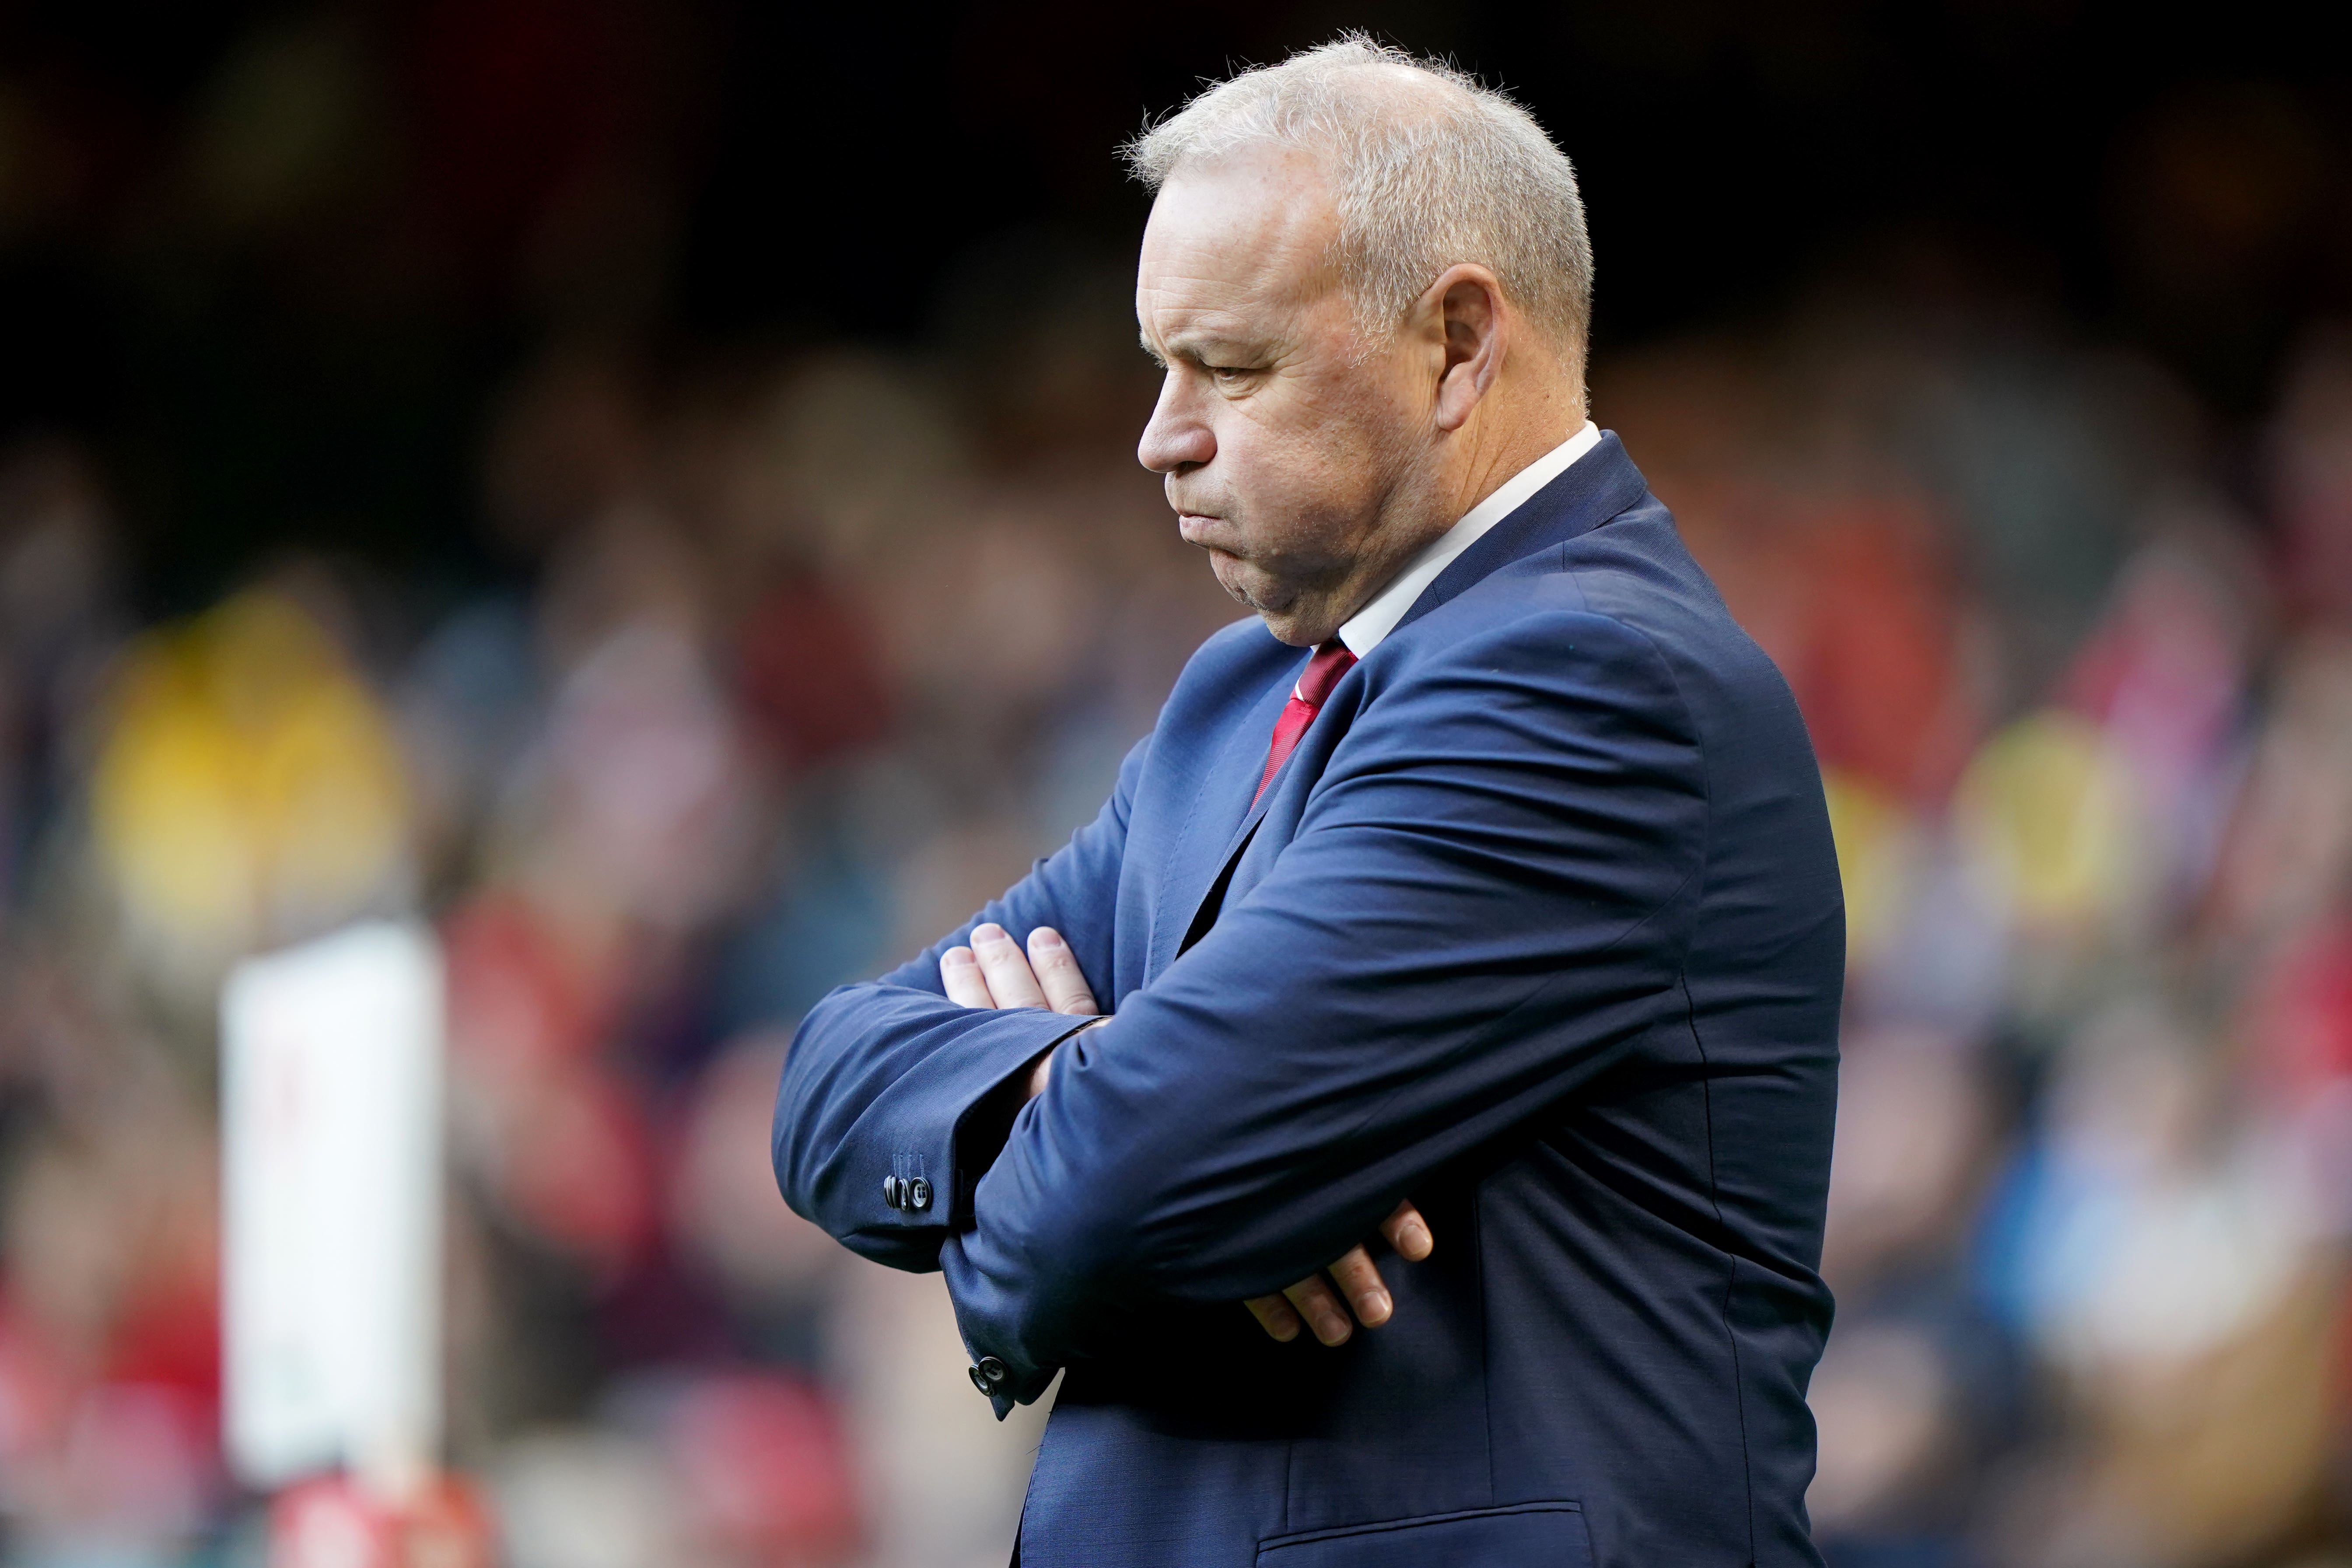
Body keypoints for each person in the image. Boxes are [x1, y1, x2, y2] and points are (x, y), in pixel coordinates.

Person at [773, 36, 1842, 1568]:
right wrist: (1094, 1084)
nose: (1163, 434)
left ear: (1460, 344)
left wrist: (1157, 1163)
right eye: (1162, 364)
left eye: (1234, 366)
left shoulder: (1597, 683)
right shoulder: (1238, 695)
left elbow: (1119, 1200)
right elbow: (828, 1075)